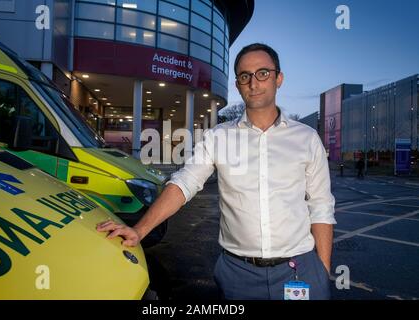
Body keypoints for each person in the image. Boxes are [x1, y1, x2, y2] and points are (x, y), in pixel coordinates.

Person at [97, 43, 336, 300]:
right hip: (238, 275)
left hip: (298, 271)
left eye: (263, 73)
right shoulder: (217, 137)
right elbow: (184, 182)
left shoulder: (307, 138)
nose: (254, 83)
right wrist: (140, 230)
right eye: (245, 76)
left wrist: (322, 271)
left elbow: (321, 205)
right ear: (238, 85)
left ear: (279, 78)